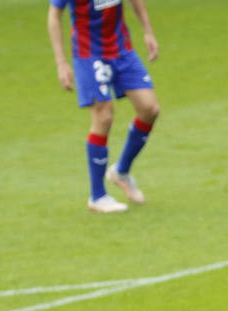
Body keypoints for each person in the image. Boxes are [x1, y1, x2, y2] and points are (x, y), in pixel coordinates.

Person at [47, 0, 161, 213]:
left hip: (121, 50)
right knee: (104, 116)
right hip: (89, 55)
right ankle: (97, 196)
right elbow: (54, 14)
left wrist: (148, 31)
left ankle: (121, 171)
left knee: (150, 109)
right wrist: (61, 62)